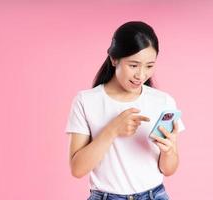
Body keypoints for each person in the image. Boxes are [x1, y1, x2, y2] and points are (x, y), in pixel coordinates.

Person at [65, 21, 186, 200]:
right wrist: (113, 129)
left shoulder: (163, 101)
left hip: (155, 195)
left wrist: (169, 151)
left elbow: (168, 170)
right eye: (134, 65)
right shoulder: (86, 101)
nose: (141, 75)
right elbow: (77, 169)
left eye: (149, 66)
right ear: (114, 59)